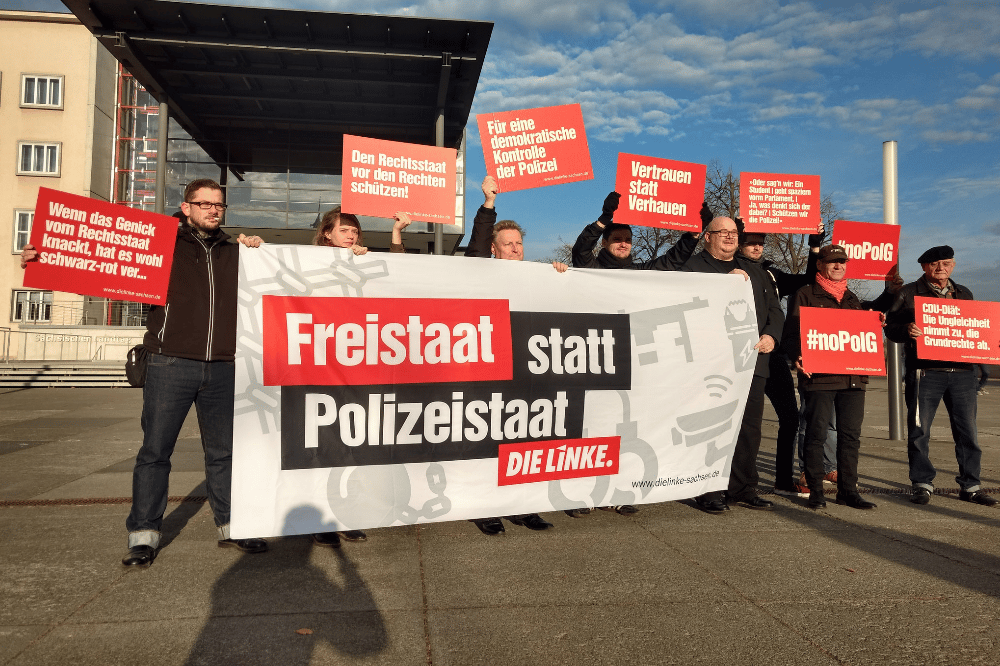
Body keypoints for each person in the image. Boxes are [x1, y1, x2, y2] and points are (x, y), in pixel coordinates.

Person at [19, 179, 268, 567]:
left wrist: (258, 251)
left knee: (223, 453)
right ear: (186, 207)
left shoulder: (236, 253)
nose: (213, 211)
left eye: (218, 205)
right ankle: (144, 535)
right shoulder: (160, 244)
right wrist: (42, 256)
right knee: (155, 452)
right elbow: (97, 254)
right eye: (204, 204)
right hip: (170, 362)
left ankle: (232, 525)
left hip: (223, 365)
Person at [460, 176, 562, 534]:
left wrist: (563, 278)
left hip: (528, 369)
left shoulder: (539, 275)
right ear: (494, 248)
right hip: (488, 368)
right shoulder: (480, 270)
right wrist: (488, 204)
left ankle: (524, 505)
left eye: (519, 243)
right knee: (488, 440)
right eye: (508, 243)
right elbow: (474, 246)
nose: (516, 248)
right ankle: (487, 506)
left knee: (526, 439)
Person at [306, 207, 412, 548]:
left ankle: (342, 516)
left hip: (357, 370)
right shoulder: (308, 261)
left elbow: (398, 276)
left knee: (351, 445)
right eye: (344, 230)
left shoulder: (362, 261)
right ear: (327, 234)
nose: (351, 236)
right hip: (320, 370)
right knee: (322, 447)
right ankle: (316, 519)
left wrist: (395, 236)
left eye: (355, 231)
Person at [681, 216, 784, 513]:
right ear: (707, 237)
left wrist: (771, 336)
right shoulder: (692, 268)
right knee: (711, 427)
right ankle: (708, 489)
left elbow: (775, 311)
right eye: (722, 232)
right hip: (709, 366)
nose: (729, 237)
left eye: (734, 233)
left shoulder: (757, 272)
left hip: (752, 362)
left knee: (749, 429)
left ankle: (743, 488)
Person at [885, 245, 997, 507]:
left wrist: (982, 360)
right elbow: (890, 328)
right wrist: (906, 330)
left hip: (962, 373)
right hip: (926, 373)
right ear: (924, 267)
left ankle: (971, 485)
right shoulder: (909, 293)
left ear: (954, 265)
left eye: (946, 263)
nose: (941, 268)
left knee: (968, 431)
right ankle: (922, 483)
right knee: (920, 430)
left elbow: (975, 329)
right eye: (935, 264)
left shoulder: (964, 293)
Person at [782, 245, 877, 510]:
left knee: (850, 437)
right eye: (833, 262)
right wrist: (797, 356)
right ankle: (815, 491)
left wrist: (872, 325)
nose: (838, 266)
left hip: (853, 379)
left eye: (842, 262)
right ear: (820, 265)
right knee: (816, 434)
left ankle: (848, 491)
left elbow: (859, 334)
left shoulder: (852, 298)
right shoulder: (805, 294)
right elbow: (791, 334)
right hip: (820, 377)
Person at [737, 229, 822, 498]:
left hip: (772, 355)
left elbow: (809, 279)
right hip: (738, 355)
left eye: (760, 243)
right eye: (751, 242)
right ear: (739, 244)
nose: (757, 247)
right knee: (741, 422)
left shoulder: (772, 274)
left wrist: (815, 246)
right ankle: (732, 479)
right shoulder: (728, 269)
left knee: (790, 417)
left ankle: (783, 479)